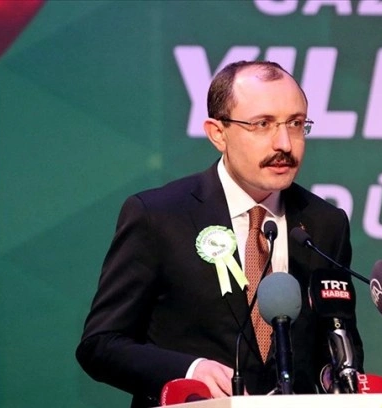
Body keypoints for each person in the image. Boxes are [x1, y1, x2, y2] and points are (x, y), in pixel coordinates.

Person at [76, 60, 364, 407]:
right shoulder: (158, 216)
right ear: (217, 133)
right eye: (262, 124)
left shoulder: (324, 223)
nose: (285, 144)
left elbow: (340, 346)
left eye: (296, 124)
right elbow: (101, 344)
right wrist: (189, 370)